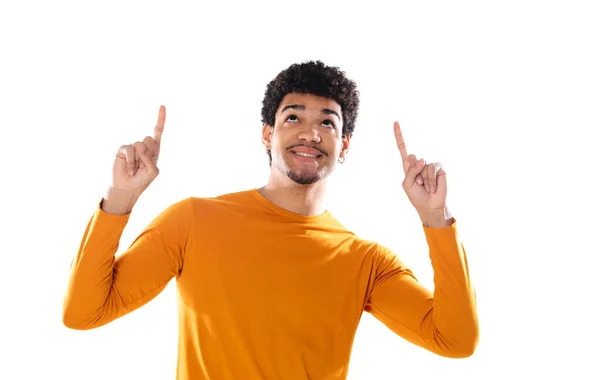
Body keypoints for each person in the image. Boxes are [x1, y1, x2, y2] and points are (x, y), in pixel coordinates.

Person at [62, 60, 479, 379]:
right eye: (293, 117)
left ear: (344, 144)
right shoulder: (193, 221)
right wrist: (120, 198)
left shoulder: (365, 261)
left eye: (327, 123)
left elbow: (456, 340)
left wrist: (435, 218)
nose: (310, 134)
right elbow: (84, 312)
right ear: (267, 134)